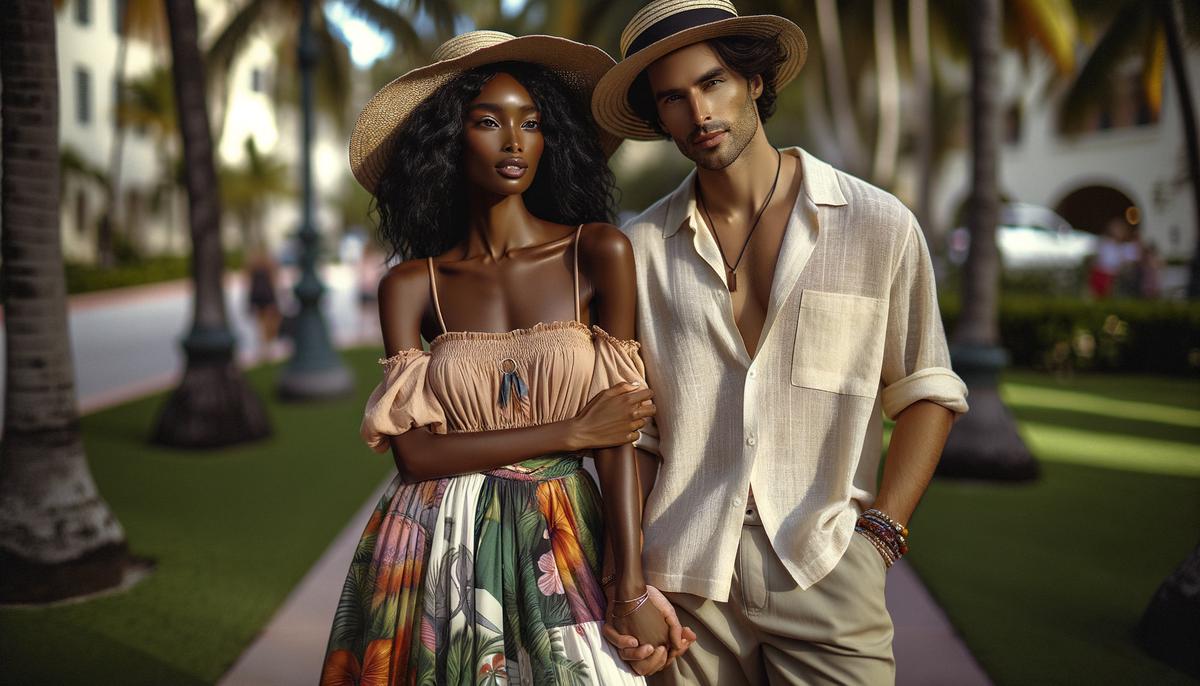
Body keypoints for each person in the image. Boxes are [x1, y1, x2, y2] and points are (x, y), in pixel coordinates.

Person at [590, 1, 970, 683]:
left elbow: (927, 389)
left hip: (824, 566)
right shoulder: (640, 249)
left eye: (713, 83)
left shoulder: (877, 225)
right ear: (657, 116)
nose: (698, 112)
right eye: (673, 99)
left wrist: (879, 538)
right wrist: (633, 579)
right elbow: (635, 433)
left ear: (756, 82)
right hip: (685, 582)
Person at [320, 31, 691, 685]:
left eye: (532, 122)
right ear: (449, 141)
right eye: (488, 122)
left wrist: (629, 585)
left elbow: (620, 435)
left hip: (564, 527)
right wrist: (571, 431)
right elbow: (415, 455)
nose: (515, 141)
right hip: (437, 537)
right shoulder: (411, 286)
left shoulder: (597, 252)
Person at [245, 245, 281, 361]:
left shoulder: (258, 264)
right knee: (265, 322)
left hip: (261, 295)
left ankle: (266, 347)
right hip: (265, 295)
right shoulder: (263, 265)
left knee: (265, 323)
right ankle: (266, 348)